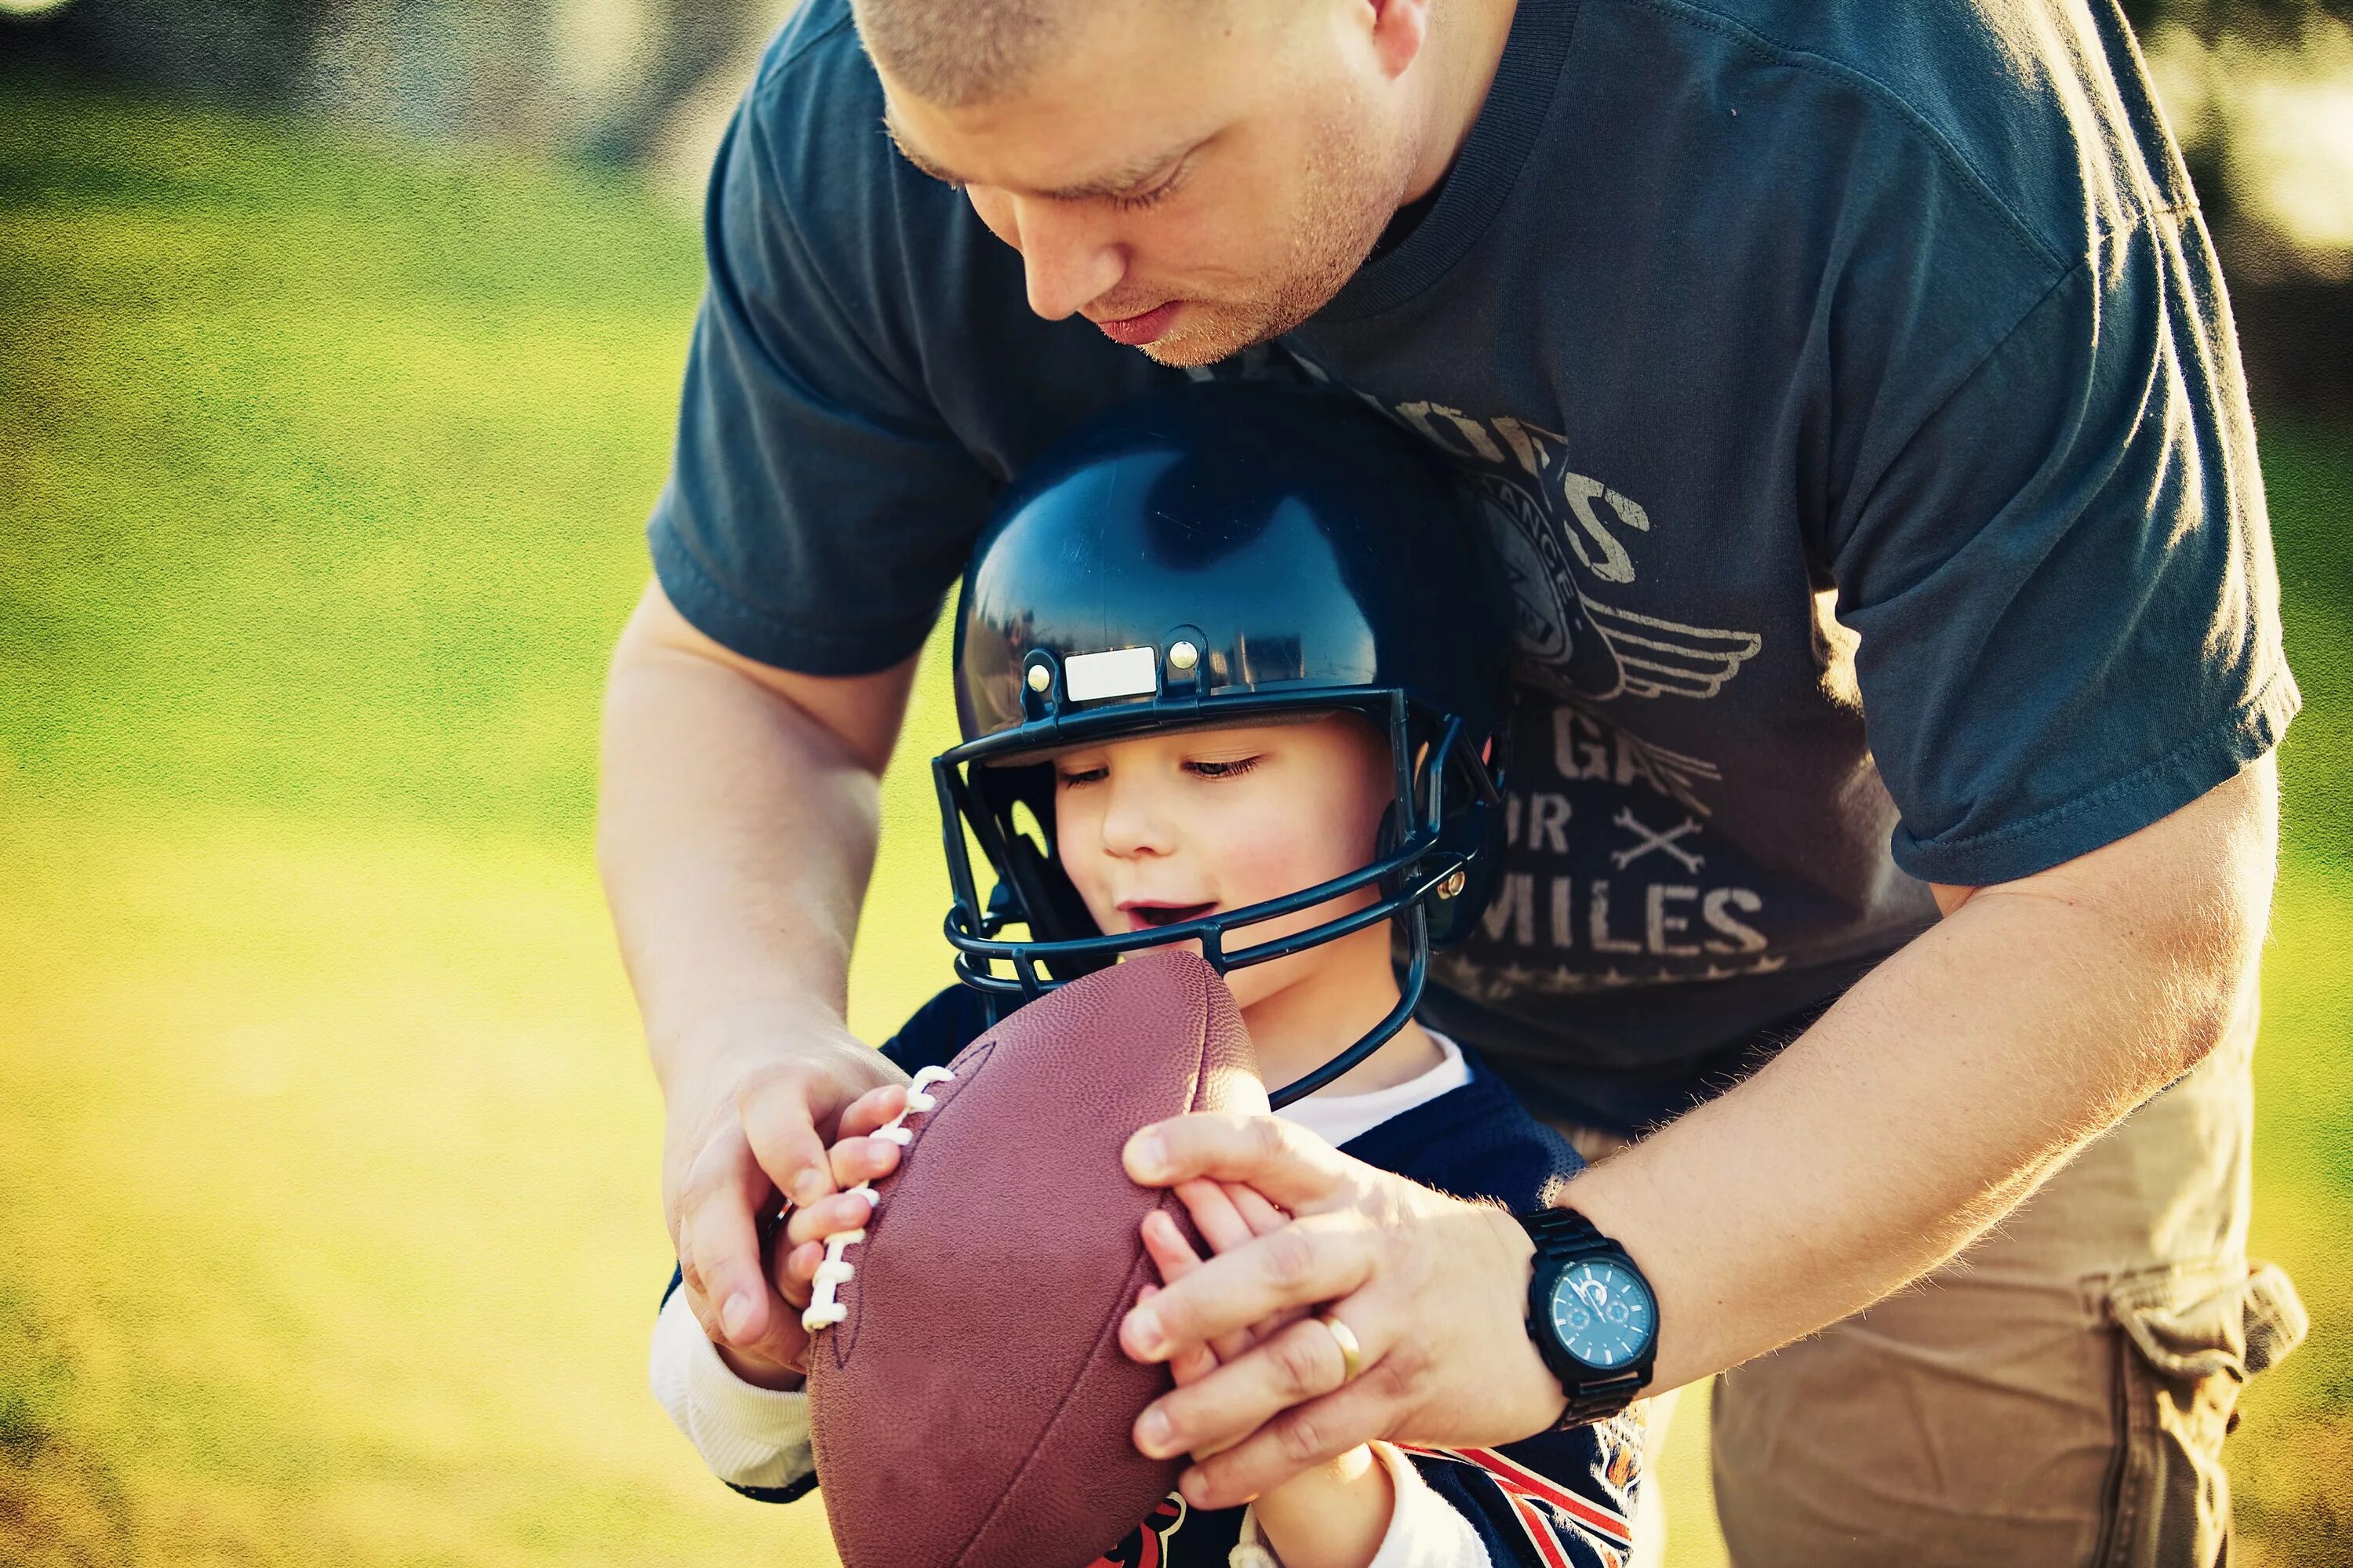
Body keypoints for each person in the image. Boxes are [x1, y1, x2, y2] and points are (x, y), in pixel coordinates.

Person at [598, 1, 2307, 1562]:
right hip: (1276, 1020)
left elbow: (2128, 907)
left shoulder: (1902, 112)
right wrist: (747, 1052)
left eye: (1137, 179)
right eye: (972, 187)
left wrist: (1555, 1291)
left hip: (1930, 998)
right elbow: (747, 678)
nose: (1048, 278)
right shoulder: (908, 81)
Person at [650, 383, 1645, 1568]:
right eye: (1079, 775)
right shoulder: (972, 1063)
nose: (1129, 830)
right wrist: (776, 1321)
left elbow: (1577, 1550)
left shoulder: (1496, 1195)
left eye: (1216, 763)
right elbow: (742, 1441)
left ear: (1424, 777)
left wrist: (1318, 1458)